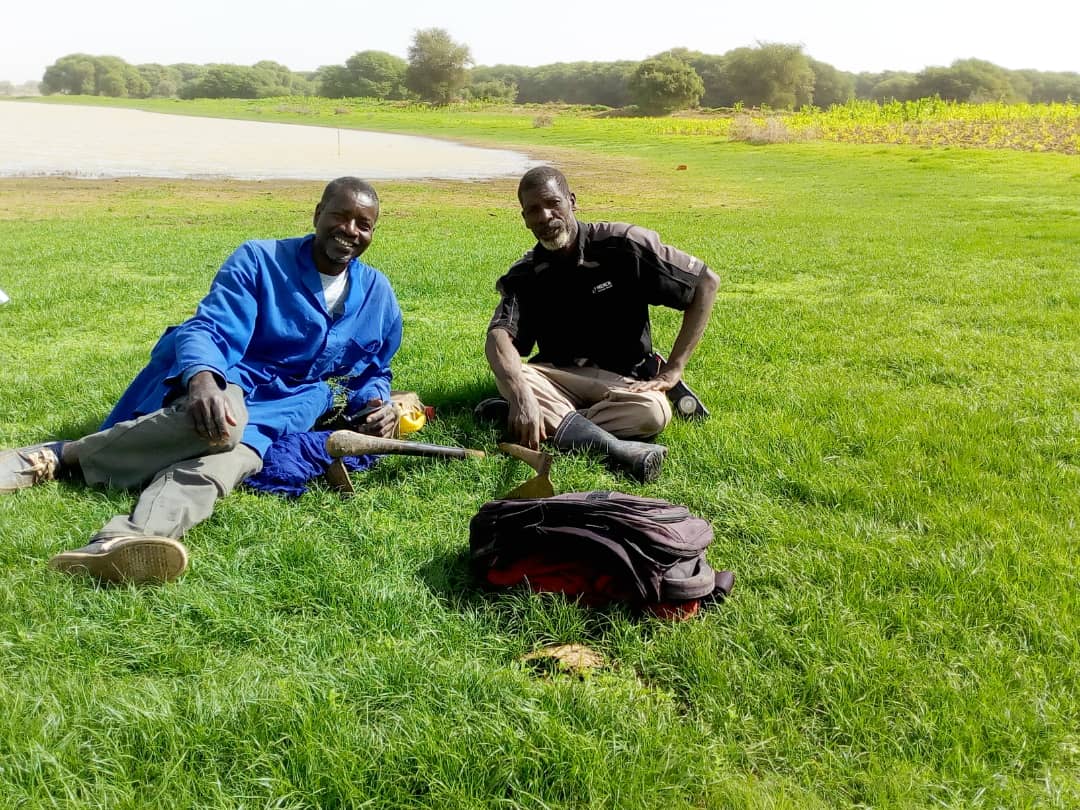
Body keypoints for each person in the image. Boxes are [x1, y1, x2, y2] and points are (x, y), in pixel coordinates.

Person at [0, 177, 402, 584]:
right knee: (226, 426)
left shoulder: (377, 294)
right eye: (340, 216)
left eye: (363, 224)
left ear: (372, 233)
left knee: (221, 468)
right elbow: (208, 328)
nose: (350, 230)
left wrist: (375, 403)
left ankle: (120, 542)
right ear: (318, 214)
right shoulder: (261, 260)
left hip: (289, 407)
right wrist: (204, 379)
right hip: (234, 378)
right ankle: (55, 456)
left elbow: (372, 368)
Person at [479, 166, 719, 482]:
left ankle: (534, 419)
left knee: (654, 412)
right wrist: (523, 396)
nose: (545, 216)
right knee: (512, 374)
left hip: (624, 381)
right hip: (560, 377)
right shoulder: (525, 274)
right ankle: (614, 449)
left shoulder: (624, 245)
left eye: (553, 203)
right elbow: (500, 337)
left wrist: (674, 368)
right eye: (533, 210)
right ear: (525, 219)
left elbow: (705, 283)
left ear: (572, 202)